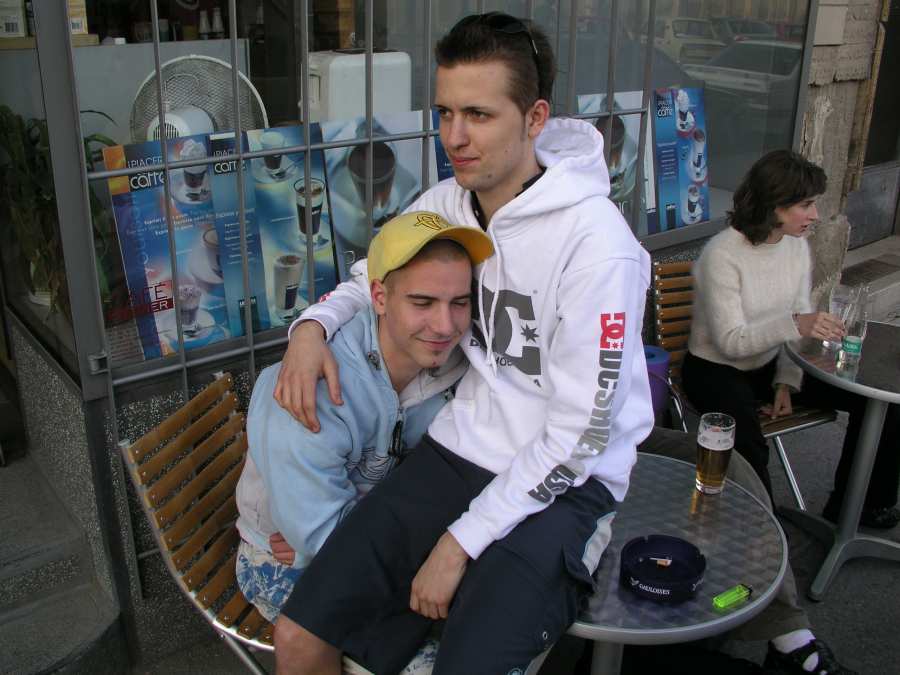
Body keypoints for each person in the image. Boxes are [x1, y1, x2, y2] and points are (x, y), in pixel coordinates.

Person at [271, 12, 654, 675]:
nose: (454, 136)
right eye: (445, 112)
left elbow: (582, 434)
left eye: (478, 115)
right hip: (460, 449)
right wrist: (311, 327)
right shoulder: (448, 201)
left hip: (568, 481)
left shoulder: (598, 247)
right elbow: (373, 276)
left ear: (535, 118)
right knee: (301, 634)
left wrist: (458, 543)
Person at [234, 211, 493, 624]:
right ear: (379, 298)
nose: (445, 326)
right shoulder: (306, 392)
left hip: (380, 531)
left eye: (459, 303)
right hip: (284, 560)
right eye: (422, 302)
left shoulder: (463, 364)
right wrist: (442, 543)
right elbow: (328, 542)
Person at [682, 149, 900, 529]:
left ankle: (861, 507)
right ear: (774, 204)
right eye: (806, 205)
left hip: (769, 362)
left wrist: (787, 381)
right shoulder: (722, 255)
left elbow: (797, 321)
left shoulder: (796, 246)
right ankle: (763, 530)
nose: (815, 215)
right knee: (747, 439)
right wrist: (797, 323)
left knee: (881, 405)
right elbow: (732, 341)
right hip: (714, 369)